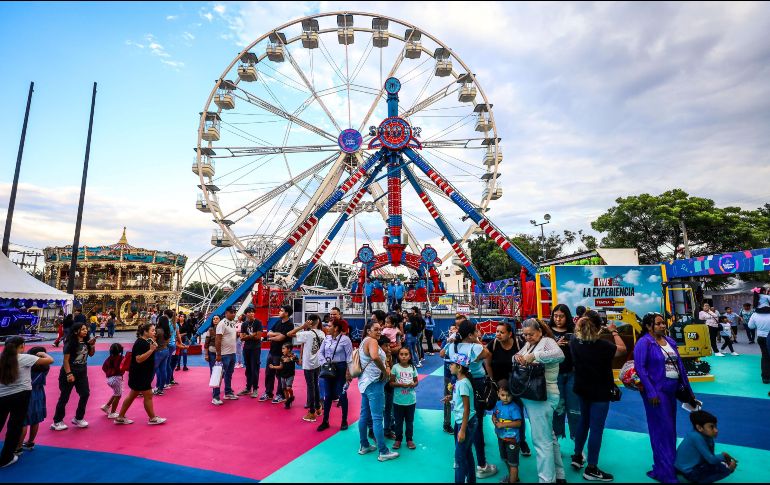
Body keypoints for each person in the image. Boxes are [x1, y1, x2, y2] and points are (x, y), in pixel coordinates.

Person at [635, 312, 697, 483]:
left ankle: (671, 465)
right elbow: (640, 368)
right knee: (661, 430)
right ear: (649, 326)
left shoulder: (670, 341)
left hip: (673, 389)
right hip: (657, 391)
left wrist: (689, 391)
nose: (663, 325)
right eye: (659, 323)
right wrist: (651, 391)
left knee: (670, 430)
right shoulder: (643, 343)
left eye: (663, 323)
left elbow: (681, 368)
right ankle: (665, 471)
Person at [569, 310, 627, 481]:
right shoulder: (603, 346)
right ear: (598, 327)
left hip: (581, 388)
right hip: (600, 392)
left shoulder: (574, 342)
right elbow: (623, 350)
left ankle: (577, 456)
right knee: (596, 429)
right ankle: (592, 468)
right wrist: (614, 331)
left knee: (583, 422)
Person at [514, 318, 566, 483]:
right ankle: (559, 475)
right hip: (536, 398)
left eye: (530, 334)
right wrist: (517, 357)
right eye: (525, 335)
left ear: (540, 331)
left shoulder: (547, 341)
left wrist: (533, 356)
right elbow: (518, 356)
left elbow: (559, 355)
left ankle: (546, 480)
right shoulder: (530, 344)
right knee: (549, 437)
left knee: (541, 442)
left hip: (543, 397)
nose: (527, 337)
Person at [444, 319, 498, 479]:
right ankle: (481, 464)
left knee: (461, 414)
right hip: (476, 383)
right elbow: (487, 354)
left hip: (459, 381)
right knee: (477, 423)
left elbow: (442, 353)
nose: (477, 333)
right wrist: (476, 340)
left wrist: (455, 339)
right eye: (475, 331)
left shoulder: (453, 346)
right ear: (470, 334)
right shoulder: (475, 346)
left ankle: (463, 458)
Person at [1, 340, 53, 467]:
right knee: (15, 425)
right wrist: (42, 353)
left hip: (2, 395)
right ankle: (6, 457)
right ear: (21, 346)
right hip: (21, 395)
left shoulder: (2, 359)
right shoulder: (24, 358)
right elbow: (49, 360)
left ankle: (15, 450)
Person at [484, 322, 531, 457]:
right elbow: (487, 363)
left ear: (510, 334)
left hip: (517, 385)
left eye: (501, 332)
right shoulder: (493, 344)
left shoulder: (519, 343)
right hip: (501, 385)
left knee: (518, 413)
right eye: (497, 331)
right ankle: (504, 439)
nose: (498, 334)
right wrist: (493, 381)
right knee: (502, 414)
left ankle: (521, 441)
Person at [356, 320, 399, 462]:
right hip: (374, 384)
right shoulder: (372, 341)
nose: (379, 331)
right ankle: (383, 451)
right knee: (377, 418)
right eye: (376, 329)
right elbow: (374, 357)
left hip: (365, 383)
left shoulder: (364, 342)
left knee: (364, 416)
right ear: (368, 331)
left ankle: (364, 445)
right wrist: (385, 372)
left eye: (380, 329)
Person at [115, 323, 166, 425]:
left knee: (132, 395)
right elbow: (138, 359)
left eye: (154, 330)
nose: (154, 332)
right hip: (140, 374)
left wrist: (152, 348)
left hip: (140, 374)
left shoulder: (146, 342)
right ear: (145, 332)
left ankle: (120, 417)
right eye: (152, 330)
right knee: (148, 395)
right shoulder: (140, 343)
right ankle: (152, 418)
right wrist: (151, 350)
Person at [51, 322, 95, 431]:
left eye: (86, 329)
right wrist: (69, 374)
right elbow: (66, 360)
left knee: (85, 394)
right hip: (69, 371)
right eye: (83, 329)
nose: (86, 331)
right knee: (64, 397)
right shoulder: (70, 343)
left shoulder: (86, 342)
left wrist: (92, 345)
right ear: (76, 331)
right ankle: (57, 421)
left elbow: (91, 354)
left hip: (82, 372)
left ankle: (78, 418)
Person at [675, 410, 737, 483]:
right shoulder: (696, 437)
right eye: (711, 427)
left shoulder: (707, 436)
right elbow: (711, 460)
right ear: (699, 428)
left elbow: (710, 457)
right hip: (686, 472)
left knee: (720, 465)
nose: (716, 430)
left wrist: (722, 458)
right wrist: (725, 458)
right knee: (724, 470)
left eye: (715, 426)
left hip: (688, 468)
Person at [549, 304, 580, 441]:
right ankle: (557, 442)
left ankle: (577, 443)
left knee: (574, 410)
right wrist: (555, 345)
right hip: (555, 376)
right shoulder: (548, 332)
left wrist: (573, 342)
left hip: (573, 374)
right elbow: (540, 352)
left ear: (567, 316)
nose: (558, 319)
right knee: (557, 409)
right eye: (555, 316)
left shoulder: (574, 331)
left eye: (561, 316)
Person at [444, 352, 477, 483]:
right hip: (462, 422)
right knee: (467, 453)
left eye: (452, 364)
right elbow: (462, 402)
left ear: (459, 367)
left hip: (466, 423)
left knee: (459, 458)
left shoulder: (462, 383)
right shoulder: (460, 382)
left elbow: (467, 409)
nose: (449, 366)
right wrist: (451, 398)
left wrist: (462, 430)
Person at [317, 319, 353, 432]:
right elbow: (320, 352)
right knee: (327, 395)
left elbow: (349, 357)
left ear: (336, 328)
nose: (327, 327)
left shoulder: (345, 340)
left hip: (341, 369)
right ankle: (325, 421)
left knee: (341, 394)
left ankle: (344, 420)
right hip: (328, 368)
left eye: (329, 326)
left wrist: (349, 373)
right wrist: (324, 363)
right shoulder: (326, 339)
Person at [288, 313, 325, 421]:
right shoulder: (322, 333)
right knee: (315, 386)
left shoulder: (308, 334)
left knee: (311, 387)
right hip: (317, 363)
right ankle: (318, 408)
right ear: (318, 322)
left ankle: (312, 412)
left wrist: (302, 327)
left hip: (309, 364)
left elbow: (289, 334)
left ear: (309, 322)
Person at [260, 305, 294, 404]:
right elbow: (269, 333)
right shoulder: (278, 322)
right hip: (272, 352)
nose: (279, 312)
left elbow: (280, 338)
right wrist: (276, 334)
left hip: (281, 354)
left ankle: (280, 394)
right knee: (269, 373)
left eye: (281, 311)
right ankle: (268, 393)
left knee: (280, 375)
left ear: (286, 313)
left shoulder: (289, 325)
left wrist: (272, 337)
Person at [492, 380, 523, 484]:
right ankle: (513, 478)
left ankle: (512, 479)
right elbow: (494, 415)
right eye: (503, 395)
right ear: (498, 394)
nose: (505, 398)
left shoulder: (514, 408)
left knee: (513, 464)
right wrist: (495, 420)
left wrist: (503, 425)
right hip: (501, 438)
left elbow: (518, 423)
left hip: (512, 440)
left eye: (508, 395)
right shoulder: (498, 404)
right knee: (505, 459)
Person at [391, 346, 418, 450]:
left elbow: (416, 382)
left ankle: (409, 439)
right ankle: (398, 439)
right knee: (398, 422)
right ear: (398, 356)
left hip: (411, 401)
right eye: (401, 354)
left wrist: (413, 384)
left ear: (410, 356)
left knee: (409, 421)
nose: (403, 356)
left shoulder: (413, 368)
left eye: (406, 354)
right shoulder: (395, 367)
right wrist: (399, 384)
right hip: (398, 401)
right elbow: (391, 383)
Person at [214, 306, 239, 403]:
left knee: (229, 374)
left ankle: (228, 392)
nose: (233, 314)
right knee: (220, 376)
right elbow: (218, 339)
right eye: (231, 312)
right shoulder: (221, 324)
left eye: (234, 312)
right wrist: (218, 354)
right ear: (226, 313)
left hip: (232, 353)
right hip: (224, 354)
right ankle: (215, 397)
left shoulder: (233, 323)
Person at [237, 307, 263, 399]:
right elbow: (242, 338)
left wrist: (248, 336)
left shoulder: (258, 323)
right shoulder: (244, 324)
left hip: (255, 349)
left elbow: (258, 337)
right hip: (246, 349)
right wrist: (252, 335)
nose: (251, 313)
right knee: (248, 369)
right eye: (249, 312)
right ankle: (248, 388)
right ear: (246, 314)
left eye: (253, 312)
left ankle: (255, 389)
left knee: (254, 369)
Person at [441, 322, 460, 433]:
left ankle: (462, 423)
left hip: (459, 375)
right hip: (448, 375)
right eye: (451, 329)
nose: (453, 331)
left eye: (455, 330)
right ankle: (446, 423)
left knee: (460, 398)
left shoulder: (460, 343)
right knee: (447, 397)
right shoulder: (446, 341)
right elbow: (441, 354)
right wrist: (448, 342)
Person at [269, 343, 299, 409]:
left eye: (283, 348)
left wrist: (298, 359)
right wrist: (273, 367)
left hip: (290, 375)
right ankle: (288, 402)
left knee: (288, 388)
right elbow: (281, 366)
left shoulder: (294, 356)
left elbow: (299, 363)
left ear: (289, 349)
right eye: (282, 348)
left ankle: (291, 396)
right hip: (283, 375)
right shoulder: (282, 357)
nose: (282, 350)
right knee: (284, 389)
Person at [100, 343, 125, 419]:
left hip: (109, 379)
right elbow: (125, 367)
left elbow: (103, 367)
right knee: (118, 395)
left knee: (116, 393)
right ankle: (113, 412)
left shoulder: (109, 358)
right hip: (117, 378)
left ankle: (107, 406)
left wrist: (109, 373)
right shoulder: (121, 358)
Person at [747, 308, 770, 384]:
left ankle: (766, 378)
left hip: (761, 337)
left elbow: (750, 326)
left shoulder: (755, 314)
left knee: (765, 357)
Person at [203, 315, 221, 401]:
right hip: (212, 352)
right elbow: (206, 343)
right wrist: (206, 354)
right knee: (214, 371)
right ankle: (215, 391)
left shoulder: (223, 329)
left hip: (222, 353)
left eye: (217, 318)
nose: (215, 320)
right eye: (214, 319)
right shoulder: (210, 330)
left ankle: (216, 386)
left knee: (222, 372)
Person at [152, 325, 170, 396]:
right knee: (163, 370)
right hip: (166, 350)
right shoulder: (167, 331)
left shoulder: (158, 331)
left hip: (158, 351)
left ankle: (145, 388)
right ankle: (161, 389)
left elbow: (153, 340)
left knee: (153, 370)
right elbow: (168, 341)